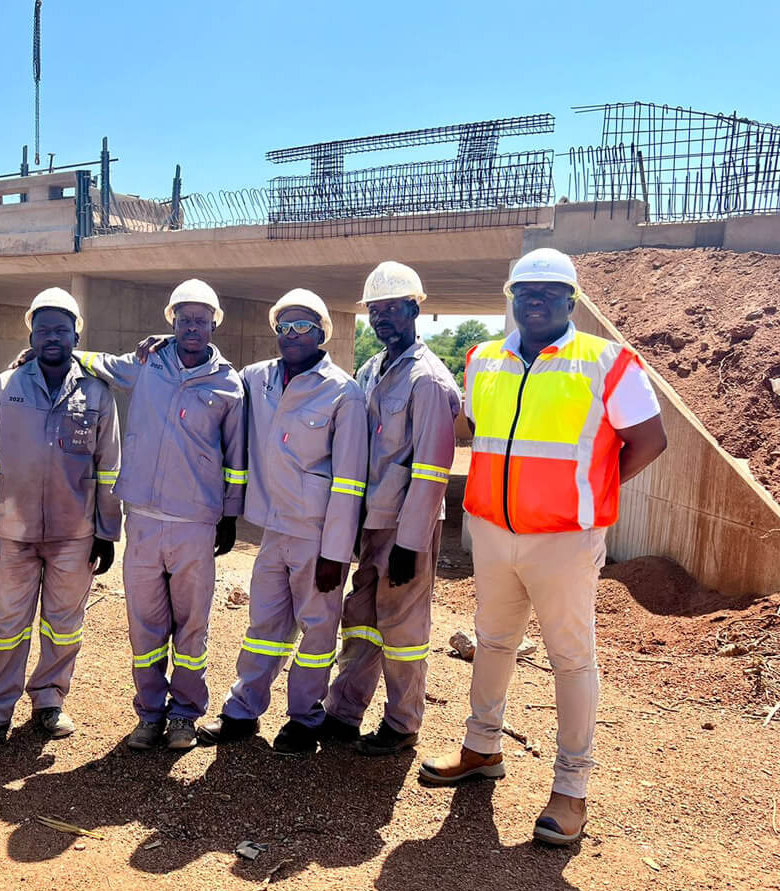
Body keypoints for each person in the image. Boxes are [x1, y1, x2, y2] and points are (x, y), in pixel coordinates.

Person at [419, 248, 668, 846]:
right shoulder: (484, 360)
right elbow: (473, 431)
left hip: (565, 538)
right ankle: (482, 749)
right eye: (523, 291)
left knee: (571, 659)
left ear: (570, 301)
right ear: (511, 297)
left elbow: (650, 440)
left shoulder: (607, 361)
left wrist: (589, 492)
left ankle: (571, 788)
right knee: (494, 643)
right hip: (495, 532)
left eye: (548, 292)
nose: (533, 299)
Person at [74, 279, 247, 750]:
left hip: (196, 521)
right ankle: (149, 713)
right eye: (184, 318)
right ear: (172, 321)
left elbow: (237, 456)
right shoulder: (145, 365)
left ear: (214, 324)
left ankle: (185, 716)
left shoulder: (230, 383)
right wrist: (53, 353)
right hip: (144, 518)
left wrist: (229, 514)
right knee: (145, 623)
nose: (193, 326)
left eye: (201, 319)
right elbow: (94, 360)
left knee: (193, 625)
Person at [196, 289, 368, 755]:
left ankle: (305, 718)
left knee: (316, 630)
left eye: (302, 327)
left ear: (321, 334)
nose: (291, 335)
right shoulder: (257, 379)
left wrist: (336, 552)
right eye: (284, 327)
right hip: (274, 531)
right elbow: (206, 372)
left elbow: (351, 479)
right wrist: (162, 345)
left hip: (316, 535)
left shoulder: (342, 392)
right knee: (264, 624)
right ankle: (243, 711)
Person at [0, 288, 121, 753]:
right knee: (5, 626)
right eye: (44, 328)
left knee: (63, 624)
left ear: (75, 335)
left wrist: (107, 532)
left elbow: (109, 465)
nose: (53, 336)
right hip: (13, 532)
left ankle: (49, 700)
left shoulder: (96, 393)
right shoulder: (3, 389)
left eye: (62, 329)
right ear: (31, 332)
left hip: (75, 534)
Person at [321, 262, 460, 756]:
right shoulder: (372, 370)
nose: (382, 318)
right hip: (370, 524)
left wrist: (410, 542)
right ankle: (343, 712)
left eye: (391, 309)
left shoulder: (429, 380)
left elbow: (431, 470)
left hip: (405, 529)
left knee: (402, 629)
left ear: (413, 309)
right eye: (375, 311)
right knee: (360, 619)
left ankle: (402, 726)